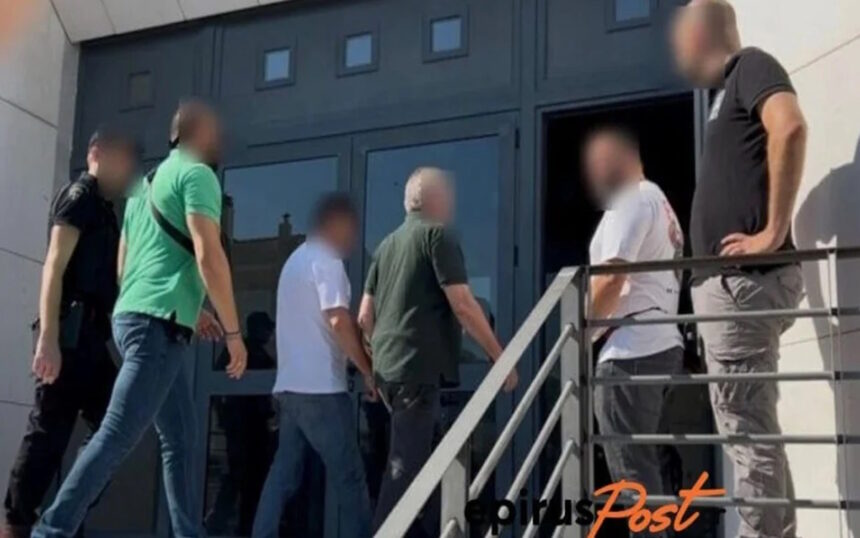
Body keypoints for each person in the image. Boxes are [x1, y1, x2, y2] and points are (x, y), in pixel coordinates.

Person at [32, 100, 247, 538]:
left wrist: (192, 308)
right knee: (116, 434)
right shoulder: (198, 175)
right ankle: (50, 531)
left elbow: (124, 269)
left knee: (179, 439)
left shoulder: (144, 187)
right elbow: (209, 256)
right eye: (213, 130)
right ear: (193, 134)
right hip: (157, 328)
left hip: (136, 317)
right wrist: (233, 332)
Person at [671, 1, 808, 536]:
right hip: (731, 289)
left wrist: (772, 233)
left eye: (681, 32)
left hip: (740, 287)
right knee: (750, 430)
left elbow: (789, 128)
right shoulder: (726, 90)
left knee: (746, 432)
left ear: (700, 32)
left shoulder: (750, 65)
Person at [359, 167, 518, 537]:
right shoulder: (437, 235)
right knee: (404, 469)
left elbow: (365, 316)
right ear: (434, 199)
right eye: (448, 195)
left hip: (390, 375)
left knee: (430, 468)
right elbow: (462, 304)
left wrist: (377, 361)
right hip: (417, 372)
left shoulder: (385, 247)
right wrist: (501, 358)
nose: (452, 203)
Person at [0, 128, 137, 538]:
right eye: (120, 157)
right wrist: (48, 338)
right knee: (48, 432)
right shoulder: (78, 197)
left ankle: (64, 514)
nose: (125, 168)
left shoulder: (107, 211)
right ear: (97, 153)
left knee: (117, 422)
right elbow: (54, 267)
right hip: (68, 332)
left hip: (92, 336)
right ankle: (15, 524)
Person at [252, 193, 374, 538]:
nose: (352, 237)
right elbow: (337, 320)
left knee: (284, 472)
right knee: (349, 476)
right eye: (350, 228)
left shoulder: (294, 261)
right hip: (321, 388)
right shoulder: (326, 259)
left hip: (290, 386)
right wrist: (367, 369)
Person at [583, 127, 685, 538]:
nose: (594, 172)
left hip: (630, 352)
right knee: (645, 473)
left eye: (600, 160)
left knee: (633, 480)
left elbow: (612, 278)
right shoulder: (659, 202)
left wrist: (579, 332)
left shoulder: (632, 199)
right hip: (658, 346)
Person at [206, 312, 276, 536]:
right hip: (242, 424)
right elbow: (214, 382)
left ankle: (243, 525)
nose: (270, 333)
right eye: (266, 328)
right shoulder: (239, 350)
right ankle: (221, 523)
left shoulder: (262, 356)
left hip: (252, 426)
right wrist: (222, 414)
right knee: (240, 475)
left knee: (249, 477)